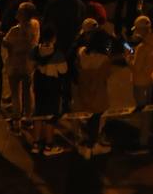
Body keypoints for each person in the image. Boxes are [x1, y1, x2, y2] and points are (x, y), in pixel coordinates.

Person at [75, 24, 115, 158]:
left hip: (83, 92)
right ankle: (92, 146)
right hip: (98, 93)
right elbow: (107, 75)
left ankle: (84, 144)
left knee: (84, 119)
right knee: (95, 119)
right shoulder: (104, 60)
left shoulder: (81, 53)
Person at [126, 14, 153, 151]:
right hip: (151, 76)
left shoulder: (142, 48)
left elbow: (136, 67)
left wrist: (128, 56)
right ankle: (146, 134)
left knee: (143, 110)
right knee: (148, 108)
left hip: (140, 81)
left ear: (142, 30)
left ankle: (143, 140)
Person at [32, 23, 70, 155]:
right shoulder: (57, 54)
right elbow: (64, 70)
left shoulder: (35, 50)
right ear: (54, 38)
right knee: (50, 116)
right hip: (52, 87)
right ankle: (49, 145)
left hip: (38, 86)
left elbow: (29, 66)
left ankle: (36, 144)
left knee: (38, 114)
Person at [2, 0, 39, 132]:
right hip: (28, 64)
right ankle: (28, 118)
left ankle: (16, 120)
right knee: (28, 91)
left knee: (15, 93)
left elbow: (6, 43)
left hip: (15, 65)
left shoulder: (14, 31)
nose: (17, 12)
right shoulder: (35, 26)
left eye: (20, 11)